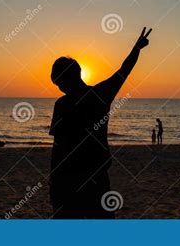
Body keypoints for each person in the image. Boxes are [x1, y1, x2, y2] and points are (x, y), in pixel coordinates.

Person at [49, 27, 152, 219]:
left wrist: (53, 180)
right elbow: (123, 71)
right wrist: (136, 48)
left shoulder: (63, 104)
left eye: (59, 82)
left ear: (68, 77)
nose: (60, 88)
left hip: (70, 179)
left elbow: (58, 147)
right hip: (95, 177)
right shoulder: (100, 94)